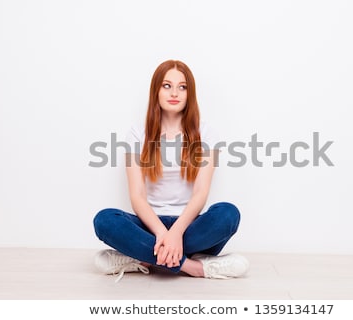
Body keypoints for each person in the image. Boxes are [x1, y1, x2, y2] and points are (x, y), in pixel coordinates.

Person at [93, 59, 249, 282]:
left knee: (228, 214)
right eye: (167, 85)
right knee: (105, 220)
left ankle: (143, 258)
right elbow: (137, 196)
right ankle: (194, 267)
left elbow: (200, 194)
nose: (174, 92)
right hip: (150, 227)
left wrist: (175, 233)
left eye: (182, 87)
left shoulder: (207, 134)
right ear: (156, 90)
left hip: (189, 228)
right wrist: (162, 234)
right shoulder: (138, 134)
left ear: (189, 93)